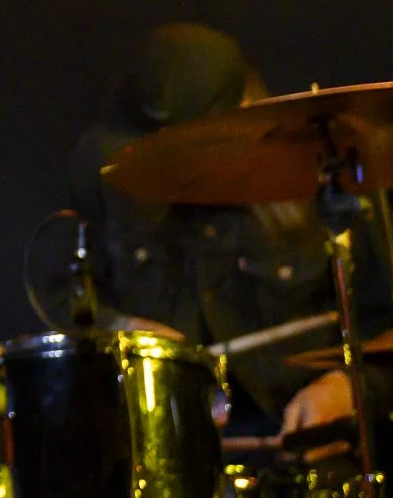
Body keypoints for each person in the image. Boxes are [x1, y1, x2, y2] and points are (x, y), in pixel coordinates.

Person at [66, 23, 358, 435]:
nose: (172, 159)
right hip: (168, 443)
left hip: (301, 443)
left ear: (244, 107)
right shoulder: (104, 178)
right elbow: (73, 308)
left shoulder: (320, 174)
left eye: (189, 142)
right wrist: (123, 330)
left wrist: (350, 385)